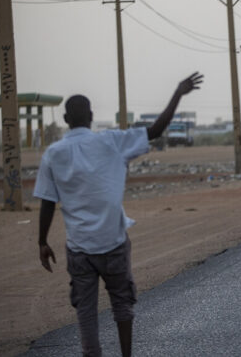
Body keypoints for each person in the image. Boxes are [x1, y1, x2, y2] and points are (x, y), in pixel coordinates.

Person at [35, 72, 203, 357]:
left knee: (85, 312)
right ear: (90, 116)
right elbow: (156, 130)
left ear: (65, 120)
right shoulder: (111, 141)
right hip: (113, 241)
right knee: (122, 305)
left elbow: (48, 202)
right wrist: (177, 92)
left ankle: (93, 353)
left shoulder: (54, 153)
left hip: (79, 248)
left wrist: (42, 241)